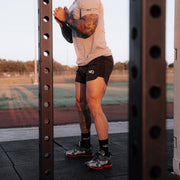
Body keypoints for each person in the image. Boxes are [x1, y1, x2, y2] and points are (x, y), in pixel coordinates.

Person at [53, 0, 114, 170]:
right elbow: (71, 38)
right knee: (80, 102)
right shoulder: (75, 4)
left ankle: (104, 154)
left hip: (99, 58)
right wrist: (62, 23)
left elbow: (88, 29)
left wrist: (66, 17)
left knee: (94, 103)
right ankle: (85, 145)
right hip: (83, 62)